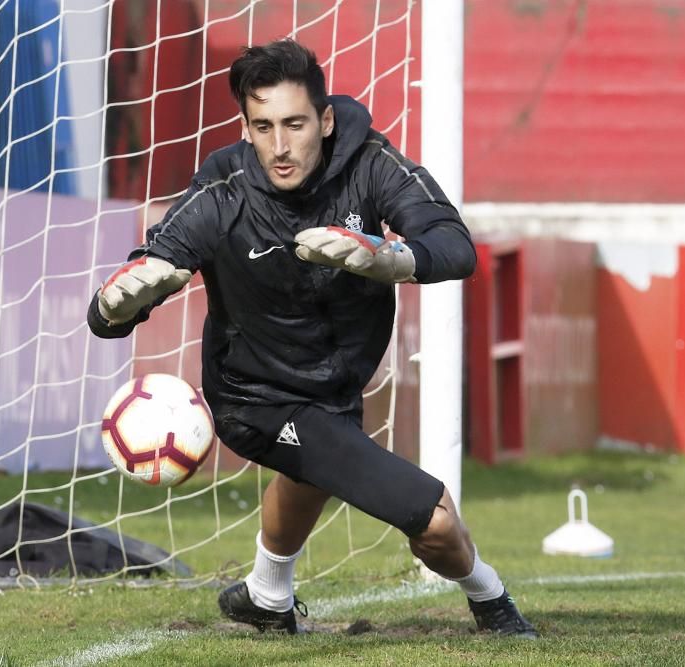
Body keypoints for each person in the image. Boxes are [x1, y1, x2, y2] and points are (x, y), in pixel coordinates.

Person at [88, 38, 536, 639]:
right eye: (263, 126)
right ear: (246, 129)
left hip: (335, 387)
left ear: (325, 121)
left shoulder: (372, 163)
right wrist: (121, 303)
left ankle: (267, 595)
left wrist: (390, 259)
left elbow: (454, 245)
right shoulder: (223, 189)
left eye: (295, 124)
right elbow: (140, 277)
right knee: (431, 521)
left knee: (312, 468)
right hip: (252, 397)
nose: (279, 145)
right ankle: (493, 600)